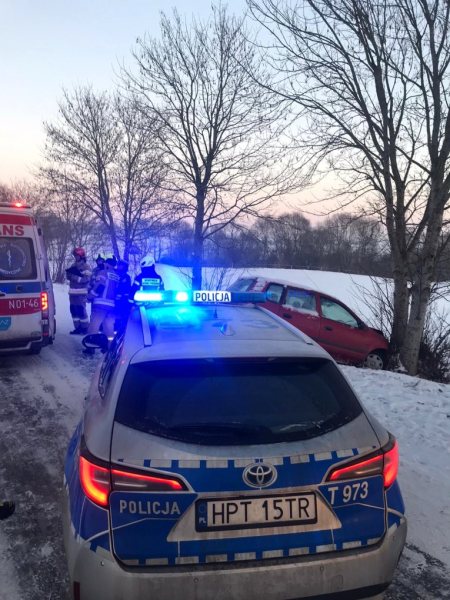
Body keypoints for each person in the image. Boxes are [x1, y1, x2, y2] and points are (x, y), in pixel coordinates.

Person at [86, 257, 120, 341]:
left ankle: (91, 342)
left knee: (94, 324)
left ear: (107, 264)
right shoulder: (117, 276)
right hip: (112, 306)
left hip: (100, 304)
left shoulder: (103, 273)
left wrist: (90, 296)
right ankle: (109, 345)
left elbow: (99, 287)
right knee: (109, 327)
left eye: (105, 263)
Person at [66, 247, 92, 335]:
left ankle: (85, 328)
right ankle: (77, 328)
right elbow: (69, 276)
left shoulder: (86, 266)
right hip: (72, 293)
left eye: (77, 256)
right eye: (75, 256)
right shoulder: (73, 265)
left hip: (81, 293)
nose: (76, 257)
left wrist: (74, 277)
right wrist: (69, 275)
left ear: (81, 256)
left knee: (81, 311)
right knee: (73, 310)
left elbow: (86, 279)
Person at [115, 259, 132, 333]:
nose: (119, 266)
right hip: (113, 299)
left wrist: (123, 295)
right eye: (119, 265)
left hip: (123, 300)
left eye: (121, 265)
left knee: (123, 314)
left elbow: (128, 288)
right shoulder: (114, 274)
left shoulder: (127, 277)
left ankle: (123, 328)